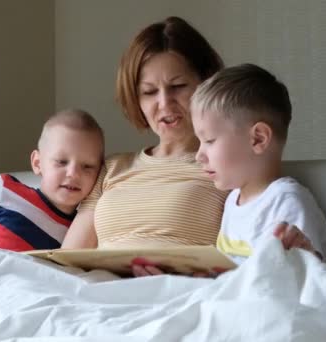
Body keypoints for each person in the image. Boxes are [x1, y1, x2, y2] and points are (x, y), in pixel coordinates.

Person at [62, 16, 229, 276]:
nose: (164, 103)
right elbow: (67, 261)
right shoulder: (111, 168)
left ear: (206, 83)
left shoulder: (228, 166)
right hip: (98, 293)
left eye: (177, 86)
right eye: (149, 92)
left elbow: (244, 258)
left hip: (181, 295)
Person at [191, 63, 326, 264]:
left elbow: (309, 275)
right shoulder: (233, 200)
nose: (199, 155)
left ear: (258, 139)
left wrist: (305, 254)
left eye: (209, 141)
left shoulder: (286, 201)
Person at [0, 109, 104, 252]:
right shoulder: (3, 189)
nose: (73, 174)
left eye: (87, 166)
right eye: (61, 162)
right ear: (38, 163)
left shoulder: (79, 233)